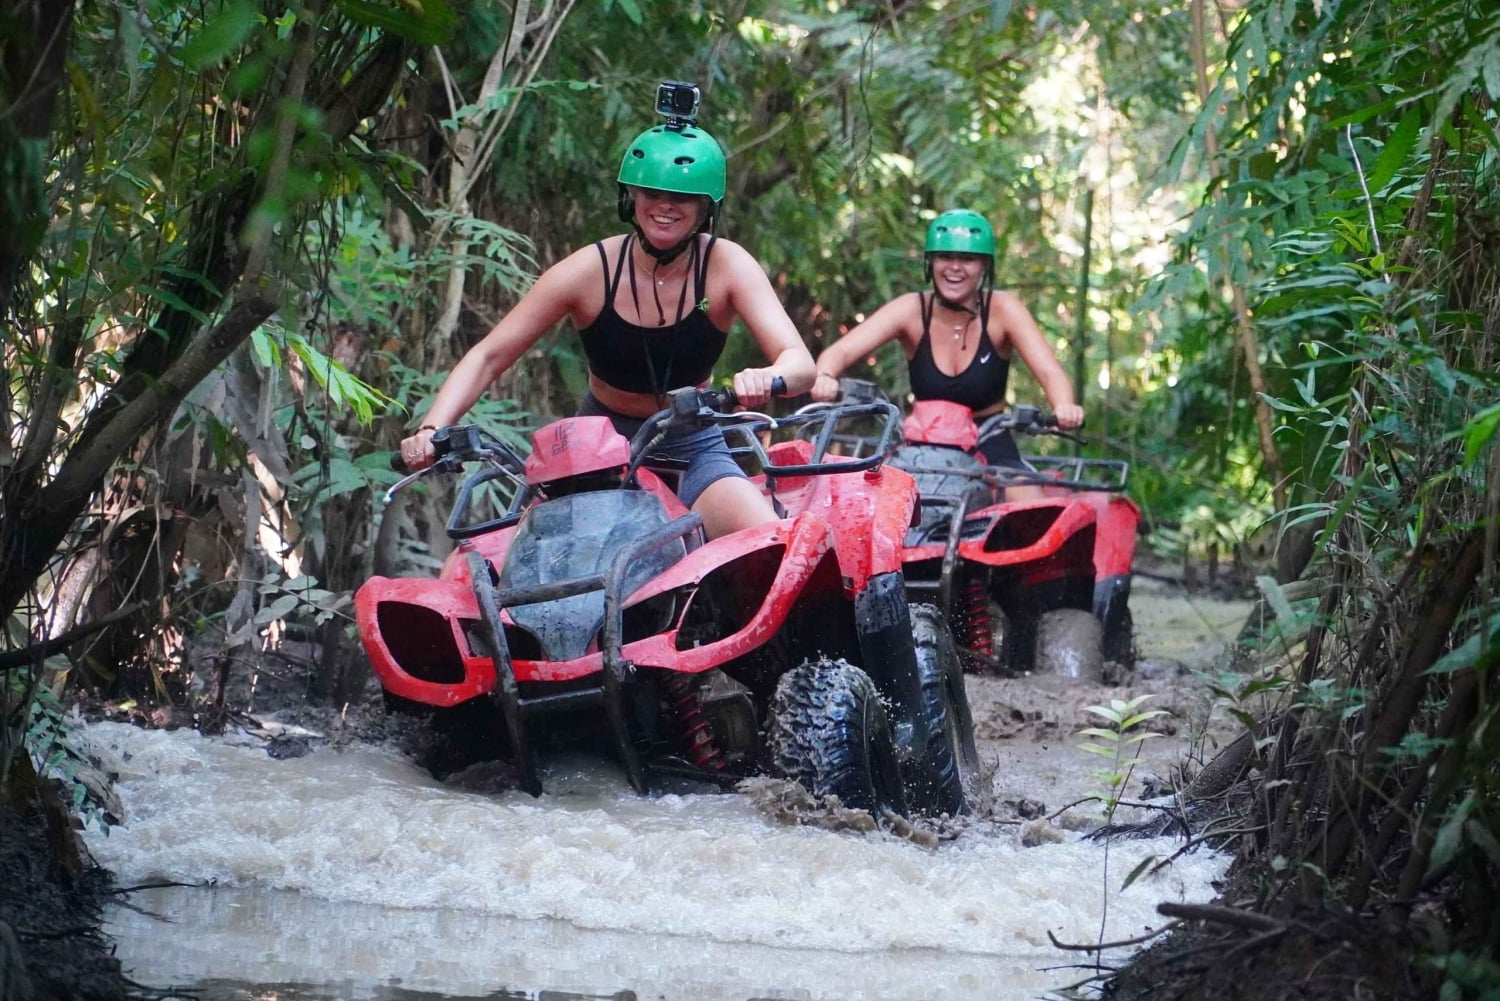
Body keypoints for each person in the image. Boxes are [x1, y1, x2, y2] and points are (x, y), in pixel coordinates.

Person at [399, 111, 815, 539]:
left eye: (684, 196)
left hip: (691, 443)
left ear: (706, 207)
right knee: (521, 564)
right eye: (652, 191)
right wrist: (433, 428)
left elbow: (801, 364)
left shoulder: (727, 265)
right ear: (630, 197)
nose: (666, 205)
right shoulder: (590, 270)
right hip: (596, 445)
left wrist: (766, 376)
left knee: (771, 546)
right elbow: (489, 356)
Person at [810, 209, 1083, 476]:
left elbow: (1050, 373)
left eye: (967, 259)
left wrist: (1064, 406)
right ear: (931, 262)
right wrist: (825, 376)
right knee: (875, 506)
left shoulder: (1004, 311)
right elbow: (841, 351)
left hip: (988, 439)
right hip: (920, 442)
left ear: (984, 266)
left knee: (1027, 510)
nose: (955, 267)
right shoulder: (912, 310)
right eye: (945, 257)